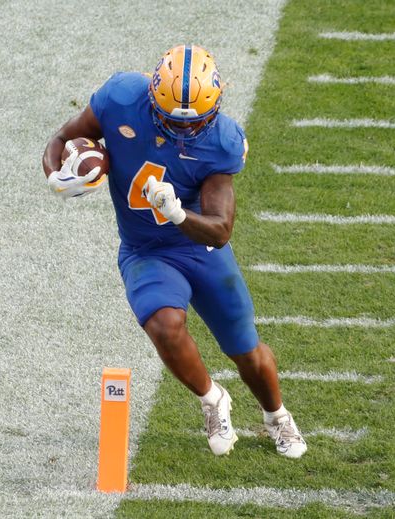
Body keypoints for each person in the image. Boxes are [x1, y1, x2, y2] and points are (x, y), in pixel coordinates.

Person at [43, 45, 307, 459]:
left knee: (245, 349)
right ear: (151, 97)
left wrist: (178, 213)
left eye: (196, 122)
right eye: (173, 120)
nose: (185, 131)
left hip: (199, 247)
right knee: (164, 325)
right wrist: (56, 175)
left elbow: (220, 231)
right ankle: (212, 399)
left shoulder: (222, 140)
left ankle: (277, 415)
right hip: (145, 248)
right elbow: (62, 138)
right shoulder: (120, 98)